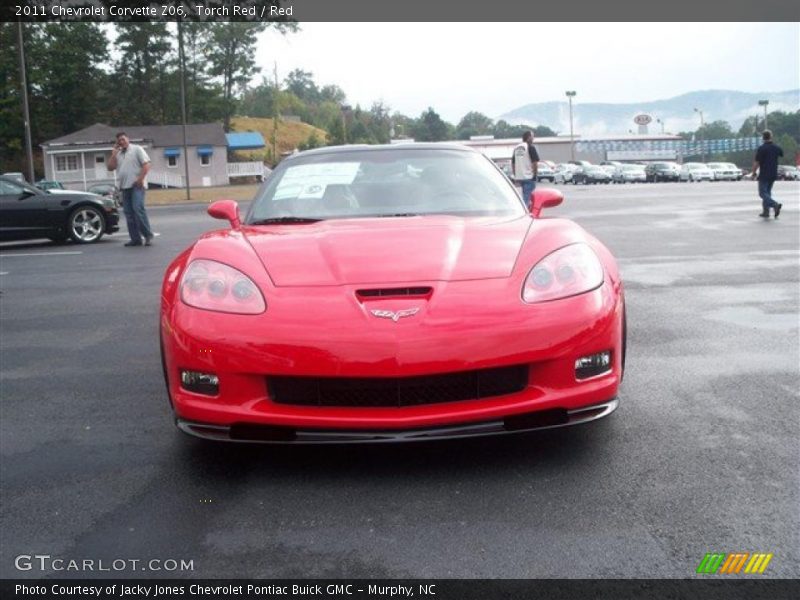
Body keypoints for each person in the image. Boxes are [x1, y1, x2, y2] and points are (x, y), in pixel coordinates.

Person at [108, 132, 154, 246]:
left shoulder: (137, 149)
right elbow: (110, 167)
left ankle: (147, 235)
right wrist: (113, 154)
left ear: (128, 139)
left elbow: (147, 164)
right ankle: (135, 239)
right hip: (124, 187)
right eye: (119, 140)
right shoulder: (118, 154)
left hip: (136, 186)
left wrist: (140, 179)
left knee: (137, 209)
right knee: (128, 213)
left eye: (123, 139)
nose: (121, 142)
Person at [751, 130, 783, 219]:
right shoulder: (776, 147)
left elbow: (757, 162)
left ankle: (774, 205)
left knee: (762, 193)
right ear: (771, 136)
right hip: (773, 173)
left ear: (763, 137)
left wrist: (753, 173)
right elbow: (781, 153)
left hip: (764, 173)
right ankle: (766, 212)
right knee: (767, 193)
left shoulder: (762, 148)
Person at [511, 131, 539, 209]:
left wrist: (515, 174)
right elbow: (535, 162)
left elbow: (513, 163)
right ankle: (525, 214)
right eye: (533, 136)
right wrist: (535, 175)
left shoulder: (516, 148)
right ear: (529, 137)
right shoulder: (530, 147)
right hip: (528, 177)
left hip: (520, 177)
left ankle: (524, 210)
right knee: (527, 199)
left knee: (523, 197)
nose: (533, 138)